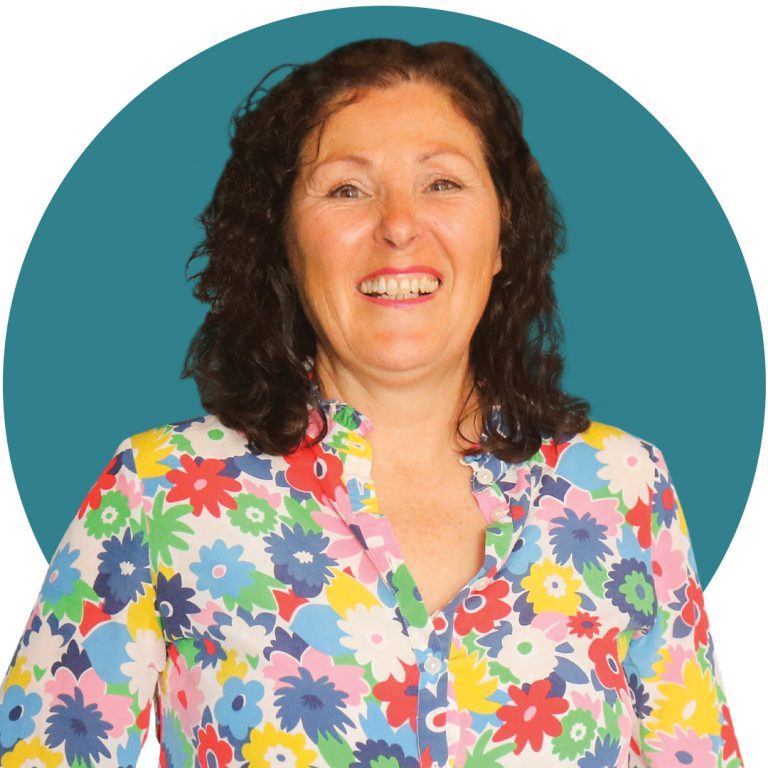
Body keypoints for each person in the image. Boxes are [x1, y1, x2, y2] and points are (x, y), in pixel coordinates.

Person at [0, 38, 744, 768]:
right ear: (284, 241)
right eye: (346, 189)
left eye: (442, 183)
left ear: (503, 235)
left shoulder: (625, 486)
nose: (398, 225)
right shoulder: (157, 490)